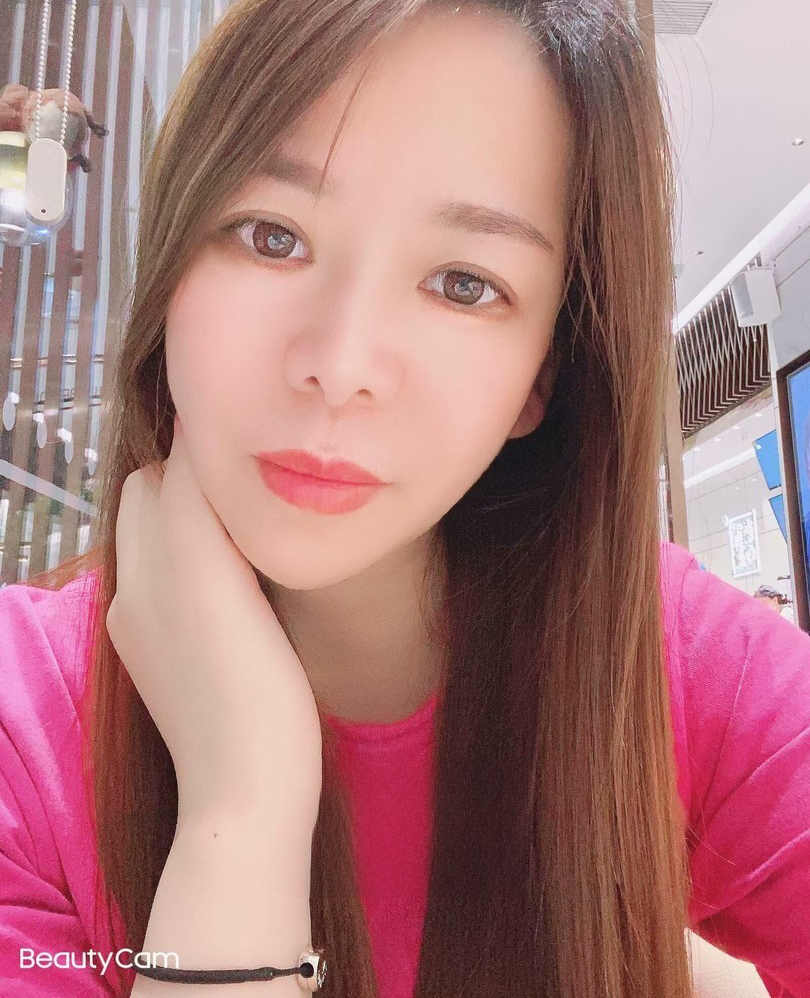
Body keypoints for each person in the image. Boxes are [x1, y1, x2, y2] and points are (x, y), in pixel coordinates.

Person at [1, 1, 809, 997]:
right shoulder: (23, 723)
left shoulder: (682, 670)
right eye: (271, 236)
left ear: (543, 374)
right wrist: (239, 812)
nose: (342, 366)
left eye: (464, 284)